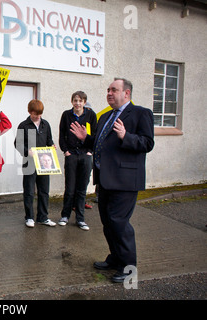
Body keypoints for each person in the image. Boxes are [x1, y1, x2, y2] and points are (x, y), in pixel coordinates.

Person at [70, 78, 154, 283]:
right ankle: (116, 258)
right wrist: (86, 139)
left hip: (125, 180)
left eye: (114, 90)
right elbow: (102, 144)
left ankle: (129, 269)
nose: (109, 93)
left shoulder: (141, 113)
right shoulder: (106, 116)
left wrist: (126, 136)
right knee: (108, 223)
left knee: (119, 223)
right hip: (105, 180)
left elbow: (147, 143)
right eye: (108, 90)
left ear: (126, 93)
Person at [14, 99, 57, 228]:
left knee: (44, 191)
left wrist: (52, 146)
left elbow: (49, 140)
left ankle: (43, 217)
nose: (37, 116)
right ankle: (29, 218)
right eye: (34, 114)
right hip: (29, 163)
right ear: (29, 112)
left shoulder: (45, 124)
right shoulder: (23, 125)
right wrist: (28, 152)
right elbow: (18, 143)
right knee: (29, 191)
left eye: (39, 114)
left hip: (44, 163)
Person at [58, 91, 97, 231]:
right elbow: (62, 134)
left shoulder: (91, 115)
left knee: (82, 189)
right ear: (72, 101)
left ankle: (80, 219)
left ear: (84, 102)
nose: (77, 103)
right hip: (71, 155)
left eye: (80, 101)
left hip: (85, 155)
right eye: (75, 100)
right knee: (70, 188)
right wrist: (66, 151)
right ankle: (65, 216)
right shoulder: (66, 115)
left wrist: (90, 151)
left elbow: (95, 134)